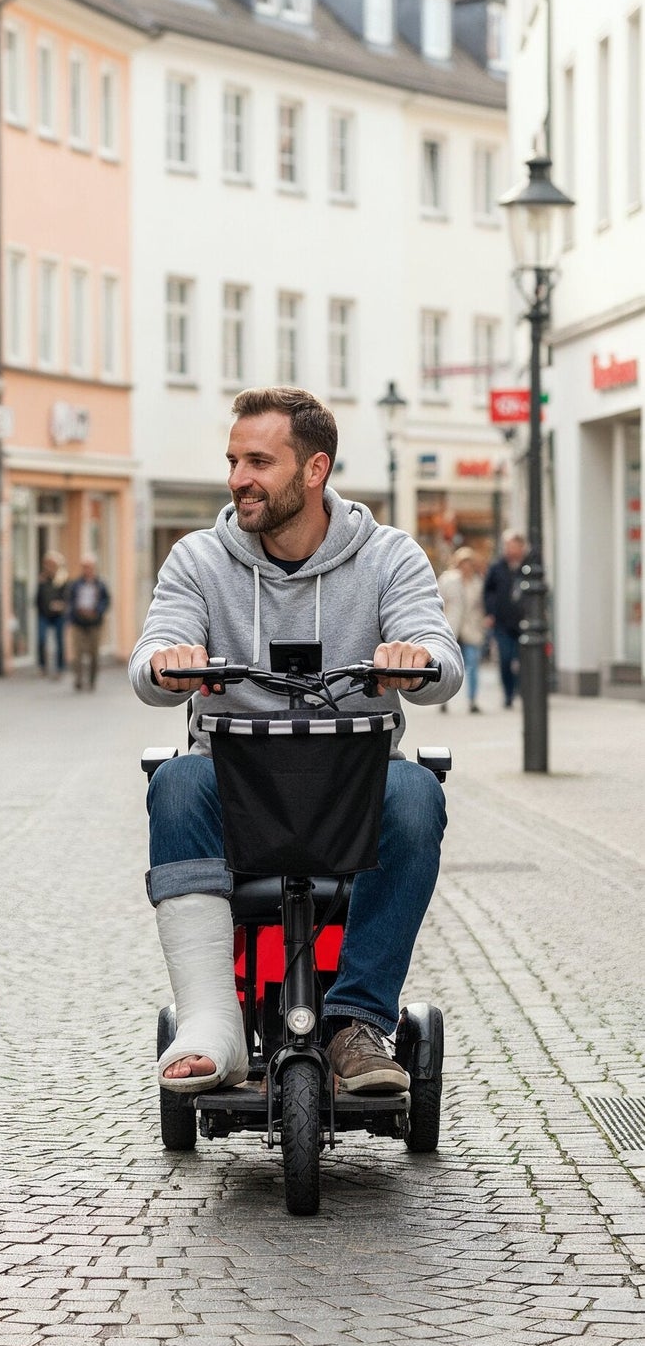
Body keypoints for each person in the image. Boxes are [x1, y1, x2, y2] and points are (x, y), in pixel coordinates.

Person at [130, 386, 462, 1097]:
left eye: (258, 461)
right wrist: (167, 663)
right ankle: (213, 1023)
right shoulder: (198, 560)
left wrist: (415, 657)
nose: (238, 478)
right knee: (176, 781)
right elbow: (149, 660)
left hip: (351, 791)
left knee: (417, 791)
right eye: (233, 460)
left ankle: (357, 1022)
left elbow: (444, 662)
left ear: (314, 471)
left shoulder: (388, 557)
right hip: (236, 790)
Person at [438, 546, 486, 714]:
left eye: (470, 563)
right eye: (464, 563)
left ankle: (472, 700)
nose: (467, 567)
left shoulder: (478, 582)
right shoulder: (448, 580)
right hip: (451, 627)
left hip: (471, 629)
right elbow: (437, 602)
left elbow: (481, 606)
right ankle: (443, 700)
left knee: (472, 664)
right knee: (449, 666)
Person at [483, 530, 526, 710]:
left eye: (514, 546)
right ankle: (508, 693)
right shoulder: (497, 567)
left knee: (523, 659)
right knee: (506, 658)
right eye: (508, 546)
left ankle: (520, 689)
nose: (510, 550)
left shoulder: (528, 566)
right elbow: (487, 591)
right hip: (501, 623)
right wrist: (490, 613)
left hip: (524, 622)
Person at [65, 556, 111, 691]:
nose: (87, 570)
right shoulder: (75, 584)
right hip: (78, 622)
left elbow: (106, 601)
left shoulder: (100, 584)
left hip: (94, 623)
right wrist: (75, 613)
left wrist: (97, 611)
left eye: (89, 567)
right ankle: (78, 679)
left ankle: (92, 681)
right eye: (84, 567)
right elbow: (70, 601)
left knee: (93, 654)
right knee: (78, 653)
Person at [34, 552, 68, 679]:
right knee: (41, 639)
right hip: (44, 614)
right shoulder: (42, 579)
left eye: (52, 564)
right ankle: (42, 666)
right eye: (47, 564)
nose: (49, 567)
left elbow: (67, 596)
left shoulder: (62, 578)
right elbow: (38, 597)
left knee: (59, 641)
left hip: (58, 615)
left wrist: (61, 605)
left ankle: (60, 667)